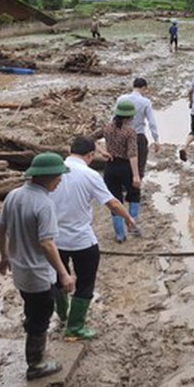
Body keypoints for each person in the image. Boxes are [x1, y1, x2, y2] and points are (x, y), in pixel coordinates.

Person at [0, 152, 76, 381]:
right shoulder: (44, 204)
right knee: (41, 316)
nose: (60, 181)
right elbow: (47, 244)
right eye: (58, 177)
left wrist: (4, 257)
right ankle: (36, 364)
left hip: (20, 271)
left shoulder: (13, 195)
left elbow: (1, 230)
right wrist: (64, 274)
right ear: (48, 177)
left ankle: (31, 328)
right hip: (38, 273)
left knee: (32, 308)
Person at [50, 136, 135, 340]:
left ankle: (62, 316)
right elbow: (112, 203)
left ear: (70, 151)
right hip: (81, 240)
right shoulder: (90, 175)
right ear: (89, 155)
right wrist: (128, 218)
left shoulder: (53, 172)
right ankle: (75, 327)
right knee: (85, 283)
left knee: (57, 279)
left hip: (53, 240)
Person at [116, 77, 161, 234]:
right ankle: (134, 196)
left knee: (122, 163)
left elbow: (114, 118)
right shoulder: (145, 102)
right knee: (138, 169)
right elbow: (152, 123)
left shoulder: (122, 98)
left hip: (121, 136)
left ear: (133, 86)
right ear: (144, 87)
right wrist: (156, 140)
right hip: (138, 136)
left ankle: (123, 191)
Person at [102, 100, 142, 243]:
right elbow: (132, 154)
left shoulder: (106, 127)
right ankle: (132, 224)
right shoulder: (130, 132)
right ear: (129, 117)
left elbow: (89, 139)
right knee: (134, 194)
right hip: (125, 167)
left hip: (110, 167)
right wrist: (136, 175)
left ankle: (120, 235)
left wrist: (102, 151)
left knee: (115, 200)